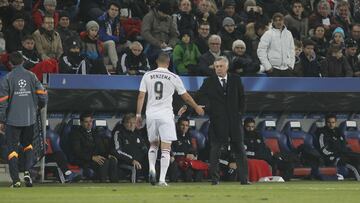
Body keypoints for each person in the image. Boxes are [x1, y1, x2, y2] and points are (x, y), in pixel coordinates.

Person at [136, 52, 204, 186]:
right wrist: (196, 107)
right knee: (166, 148)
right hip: (166, 115)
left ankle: (151, 168)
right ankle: (161, 179)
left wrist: (138, 115)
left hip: (151, 114)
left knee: (154, 144)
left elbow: (140, 96)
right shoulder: (173, 77)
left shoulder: (147, 75)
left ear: (156, 62)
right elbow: (185, 97)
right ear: (168, 63)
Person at [189, 56, 249, 185]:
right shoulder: (209, 81)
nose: (218, 69)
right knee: (215, 150)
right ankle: (215, 179)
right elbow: (198, 96)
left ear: (227, 67)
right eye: (216, 67)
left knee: (239, 149)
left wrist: (239, 114)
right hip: (217, 121)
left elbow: (242, 98)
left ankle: (244, 179)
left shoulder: (236, 79)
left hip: (234, 121)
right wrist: (187, 106)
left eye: (221, 66)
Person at [0, 52, 48, 187]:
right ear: (22, 61)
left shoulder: (7, 78)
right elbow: (42, 95)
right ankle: (27, 171)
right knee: (28, 145)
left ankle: (16, 180)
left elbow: (2, 102)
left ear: (10, 64)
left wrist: (2, 120)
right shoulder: (32, 76)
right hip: (29, 118)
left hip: (12, 120)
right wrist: (39, 106)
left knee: (12, 149)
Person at [70, 113, 118, 183]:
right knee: (104, 162)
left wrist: (107, 155)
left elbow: (101, 149)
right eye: (86, 122)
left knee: (112, 160)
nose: (89, 124)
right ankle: (103, 183)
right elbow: (77, 152)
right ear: (81, 123)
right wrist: (92, 157)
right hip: (83, 159)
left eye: (90, 121)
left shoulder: (96, 133)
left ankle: (115, 184)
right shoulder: (75, 134)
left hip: (96, 158)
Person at [315, 114, 360, 180]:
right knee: (353, 166)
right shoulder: (322, 133)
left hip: (343, 154)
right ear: (325, 122)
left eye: (333, 122)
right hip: (332, 158)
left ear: (335, 122)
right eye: (329, 122)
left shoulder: (338, 132)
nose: (331, 124)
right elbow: (323, 150)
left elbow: (344, 145)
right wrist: (336, 155)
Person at [111, 113, 149, 182]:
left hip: (140, 161)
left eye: (134, 123)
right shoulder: (118, 133)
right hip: (126, 162)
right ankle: (134, 189)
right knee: (135, 167)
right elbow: (117, 151)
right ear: (124, 123)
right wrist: (132, 160)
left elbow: (144, 148)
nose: (132, 125)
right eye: (129, 123)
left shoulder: (138, 134)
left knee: (152, 165)